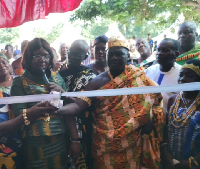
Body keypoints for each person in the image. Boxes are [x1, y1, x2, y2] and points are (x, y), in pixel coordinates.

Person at [57, 36, 165, 169]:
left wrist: (149, 118)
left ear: (128, 56)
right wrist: (55, 109)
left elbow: (156, 98)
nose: (114, 58)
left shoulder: (138, 77)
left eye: (119, 54)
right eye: (111, 54)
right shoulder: (96, 82)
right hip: (104, 145)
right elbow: (79, 105)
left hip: (133, 143)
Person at [11, 38, 71, 168]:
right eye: (37, 55)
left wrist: (62, 92)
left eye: (46, 56)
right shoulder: (19, 82)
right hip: (35, 141)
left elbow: (68, 108)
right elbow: (18, 114)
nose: (42, 59)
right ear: (28, 57)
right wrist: (39, 109)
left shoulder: (57, 77)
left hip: (59, 138)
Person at [59, 40, 96, 168]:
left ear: (85, 57)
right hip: (60, 126)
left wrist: (63, 93)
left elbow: (83, 104)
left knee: (82, 162)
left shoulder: (90, 76)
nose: (73, 56)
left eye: (78, 54)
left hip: (82, 127)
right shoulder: (59, 74)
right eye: (72, 52)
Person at [162, 59, 200, 169]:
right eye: (181, 75)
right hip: (171, 160)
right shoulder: (173, 100)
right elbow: (166, 128)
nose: (182, 79)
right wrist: (166, 154)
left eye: (189, 76)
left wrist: (188, 164)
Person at [145, 38, 182, 112]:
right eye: (158, 50)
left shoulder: (182, 75)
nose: (159, 53)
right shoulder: (149, 71)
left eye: (165, 50)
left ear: (176, 54)